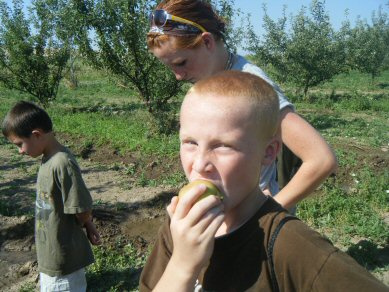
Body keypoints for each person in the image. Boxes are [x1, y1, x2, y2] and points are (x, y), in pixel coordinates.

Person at [139, 71, 387, 291]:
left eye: (223, 146)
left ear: (268, 153)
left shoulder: (288, 244)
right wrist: (182, 265)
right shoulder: (180, 225)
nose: (200, 164)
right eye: (190, 143)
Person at [147, 0, 338, 211]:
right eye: (170, 67)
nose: (177, 76)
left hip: (254, 223)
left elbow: (321, 159)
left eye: (181, 63)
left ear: (207, 42)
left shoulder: (252, 85)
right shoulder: (215, 78)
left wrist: (270, 212)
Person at [2, 101, 101, 292]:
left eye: (19, 144)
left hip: (63, 261)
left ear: (36, 135)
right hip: (51, 254)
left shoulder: (62, 163)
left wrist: (87, 223)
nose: (20, 151)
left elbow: (82, 207)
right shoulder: (48, 159)